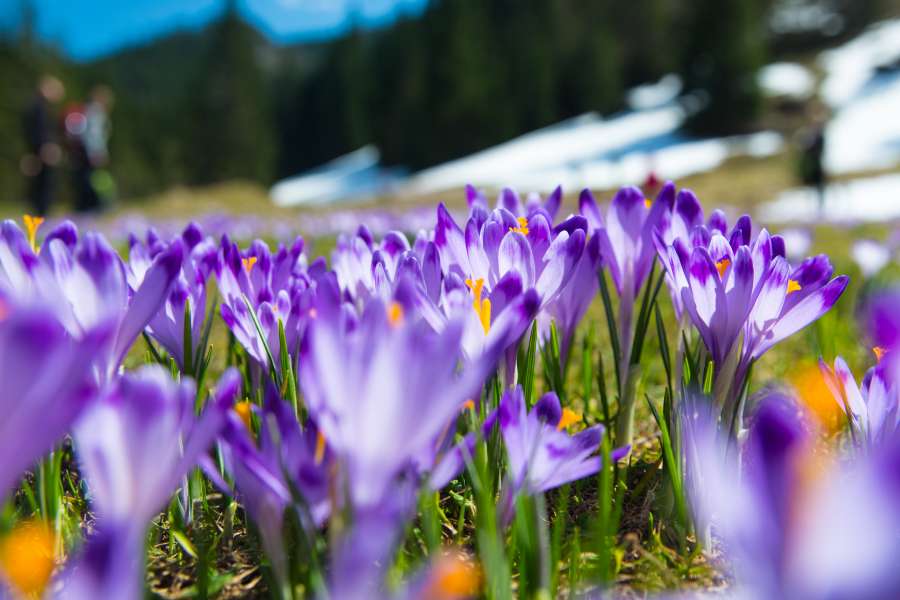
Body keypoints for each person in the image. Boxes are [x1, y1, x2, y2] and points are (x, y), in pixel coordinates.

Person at [21, 76, 64, 216]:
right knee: (43, 184)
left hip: (39, 149)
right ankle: (41, 215)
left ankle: (40, 214)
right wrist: (45, 147)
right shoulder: (39, 107)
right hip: (43, 150)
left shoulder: (38, 105)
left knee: (40, 184)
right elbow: (39, 130)